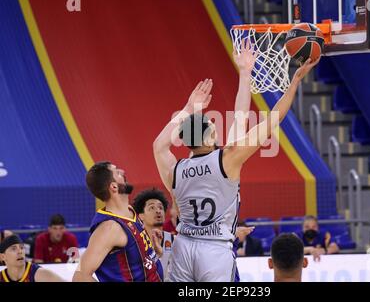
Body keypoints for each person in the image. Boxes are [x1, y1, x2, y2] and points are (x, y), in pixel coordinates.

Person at [153, 33, 319, 281]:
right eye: (211, 126)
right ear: (209, 138)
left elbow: (159, 145)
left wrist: (188, 109)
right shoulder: (226, 159)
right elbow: (273, 118)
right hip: (215, 250)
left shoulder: (176, 170)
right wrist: (293, 82)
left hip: (184, 247)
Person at [72, 162, 163, 282]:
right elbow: (80, 277)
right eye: (118, 172)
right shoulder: (109, 228)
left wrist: (153, 253)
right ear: (114, 187)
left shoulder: (130, 210)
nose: (123, 172)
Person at [133, 188, 174, 281]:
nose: (158, 211)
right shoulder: (135, 243)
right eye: (152, 207)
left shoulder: (175, 241)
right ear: (140, 216)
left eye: (160, 208)